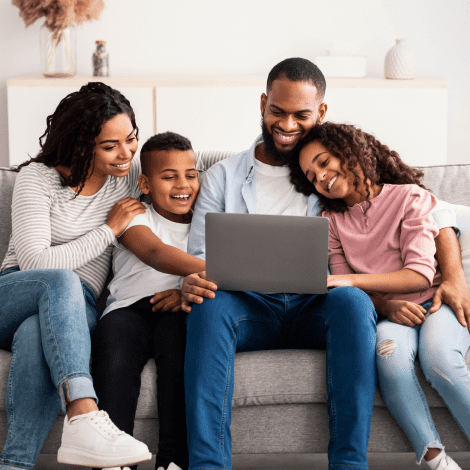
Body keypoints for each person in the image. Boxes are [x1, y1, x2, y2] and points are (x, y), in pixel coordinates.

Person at [180, 57, 470, 470]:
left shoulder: (339, 166)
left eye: (301, 114)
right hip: (247, 307)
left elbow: (435, 210)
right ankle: (208, 466)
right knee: (206, 308)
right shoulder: (222, 177)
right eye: (277, 111)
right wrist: (195, 278)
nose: (287, 124)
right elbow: (200, 257)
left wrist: (453, 276)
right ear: (263, 105)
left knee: (352, 303)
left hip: (317, 301)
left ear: (321, 113)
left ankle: (349, 464)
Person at [292, 121, 470, 470]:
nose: (321, 177)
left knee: (439, 359)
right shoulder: (330, 221)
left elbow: (419, 273)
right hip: (392, 312)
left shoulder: (410, 197)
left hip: (436, 302)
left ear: (349, 151)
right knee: (388, 359)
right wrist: (385, 306)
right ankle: (435, 459)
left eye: (324, 162)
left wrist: (352, 281)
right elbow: (350, 293)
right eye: (312, 176)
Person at [0, 82, 153, 470]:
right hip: (16, 288)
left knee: (38, 335)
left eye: (131, 138)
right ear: (83, 144)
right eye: (110, 146)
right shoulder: (39, 178)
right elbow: (36, 262)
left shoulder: (129, 173)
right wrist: (109, 230)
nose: (126, 153)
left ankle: (14, 465)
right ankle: (84, 414)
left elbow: (196, 163)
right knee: (61, 279)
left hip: (76, 308)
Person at [91, 132, 205, 470]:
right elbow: (155, 253)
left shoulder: (208, 223)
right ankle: (116, 460)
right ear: (144, 183)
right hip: (129, 309)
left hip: (177, 308)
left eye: (191, 174)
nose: (182, 184)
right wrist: (223, 270)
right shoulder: (132, 214)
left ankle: (173, 461)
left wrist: (187, 289)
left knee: (181, 357)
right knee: (115, 356)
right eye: (168, 177)